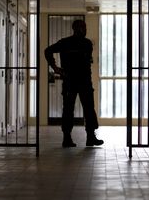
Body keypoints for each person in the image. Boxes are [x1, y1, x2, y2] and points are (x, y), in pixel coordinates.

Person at [44, 19, 104, 148]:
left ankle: (83, 137)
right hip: (76, 80)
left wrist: (55, 67)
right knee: (77, 109)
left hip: (77, 81)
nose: (84, 29)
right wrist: (55, 68)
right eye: (82, 27)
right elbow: (47, 51)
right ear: (76, 28)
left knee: (79, 109)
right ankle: (76, 137)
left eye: (85, 27)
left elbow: (48, 50)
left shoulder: (78, 43)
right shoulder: (75, 43)